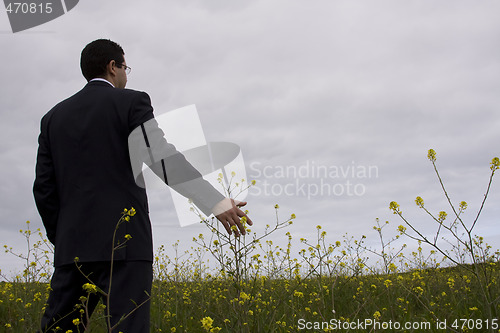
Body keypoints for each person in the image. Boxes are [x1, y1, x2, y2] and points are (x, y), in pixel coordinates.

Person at [33, 39, 252, 332]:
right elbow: (160, 157)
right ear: (113, 67)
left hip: (72, 250)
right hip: (125, 247)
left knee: (59, 329)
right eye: (126, 67)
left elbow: (44, 189)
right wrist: (214, 201)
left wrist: (63, 238)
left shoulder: (52, 118)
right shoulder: (131, 102)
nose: (126, 75)